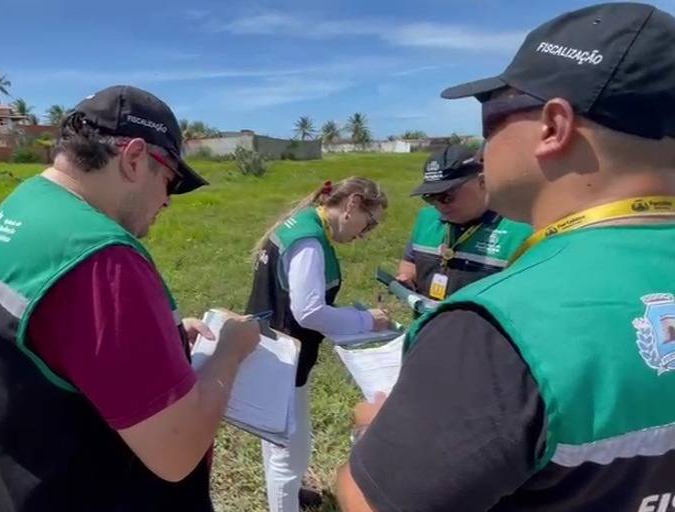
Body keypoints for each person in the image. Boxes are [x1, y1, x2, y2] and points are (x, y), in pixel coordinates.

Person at [337, 3, 675, 511]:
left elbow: (371, 503)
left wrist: (377, 433)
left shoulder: (497, 328)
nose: (482, 147)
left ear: (553, 126)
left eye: (490, 117)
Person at [0, 85, 262, 512]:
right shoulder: (101, 257)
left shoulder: (22, 207)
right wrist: (231, 350)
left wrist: (168, 339)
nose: (167, 202)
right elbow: (176, 452)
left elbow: (60, 339)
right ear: (135, 158)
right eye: (170, 181)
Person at [245, 177, 390, 512]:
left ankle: (289, 495)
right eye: (369, 224)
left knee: (279, 441)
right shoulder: (310, 240)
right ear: (353, 205)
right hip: (283, 359)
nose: (364, 235)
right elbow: (308, 311)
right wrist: (366, 320)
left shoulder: (301, 224)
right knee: (289, 452)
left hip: (271, 351)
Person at [397, 144, 532, 301]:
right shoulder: (427, 219)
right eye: (430, 197)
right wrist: (406, 277)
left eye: (447, 197)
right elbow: (410, 262)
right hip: (429, 322)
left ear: (483, 182)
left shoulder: (520, 230)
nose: (439, 206)